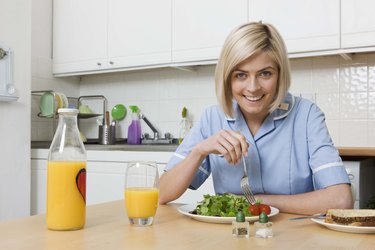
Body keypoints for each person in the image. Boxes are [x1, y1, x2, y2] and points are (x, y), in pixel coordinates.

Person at [158, 22, 353, 215]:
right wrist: (199, 151)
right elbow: (160, 193)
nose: (252, 87)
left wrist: (255, 202)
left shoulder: (307, 115)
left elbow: (341, 200)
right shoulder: (212, 118)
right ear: (227, 79)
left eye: (265, 74)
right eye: (241, 75)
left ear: (280, 74)